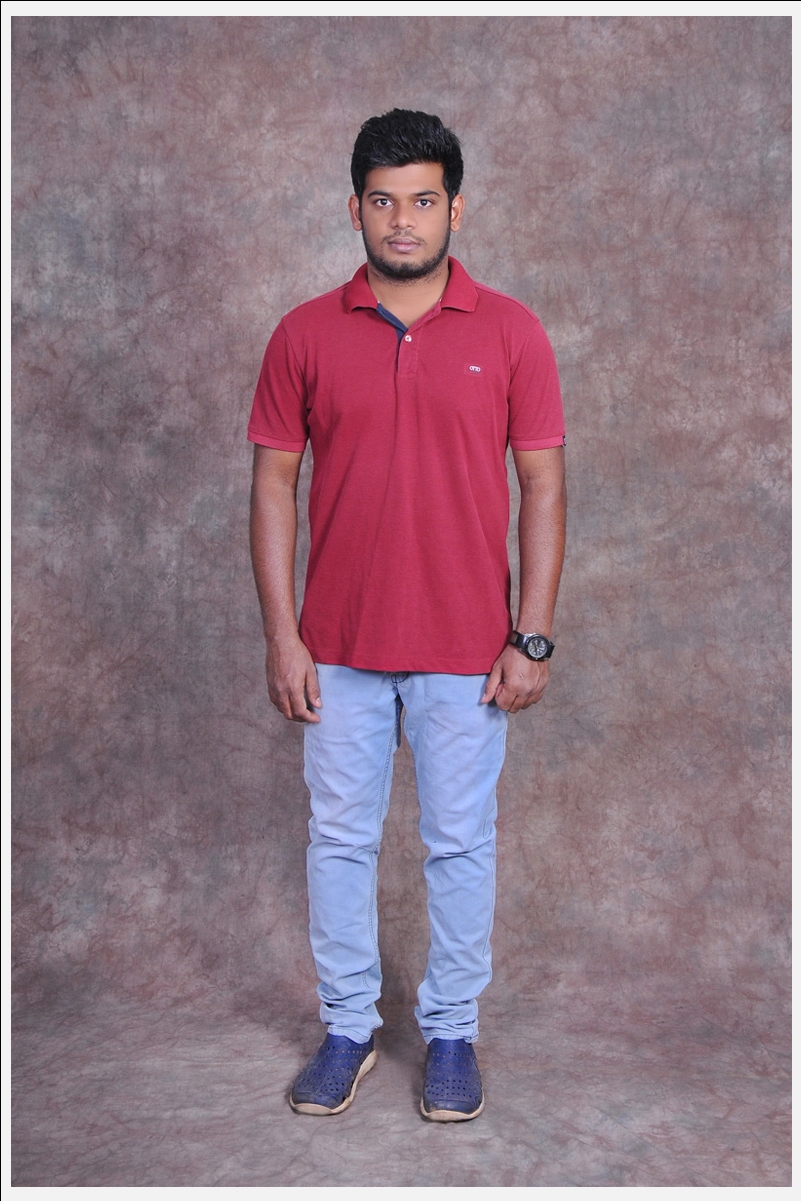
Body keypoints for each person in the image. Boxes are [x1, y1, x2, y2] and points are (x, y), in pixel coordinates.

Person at [248, 109, 566, 1122]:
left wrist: (531, 633)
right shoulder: (302, 333)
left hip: (467, 649)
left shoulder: (511, 331)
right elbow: (272, 486)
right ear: (355, 208)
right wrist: (283, 635)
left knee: (459, 844)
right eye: (383, 201)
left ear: (454, 210)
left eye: (423, 200)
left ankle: (452, 1032)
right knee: (339, 839)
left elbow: (543, 486)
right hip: (336, 646)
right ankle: (348, 1027)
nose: (402, 220)